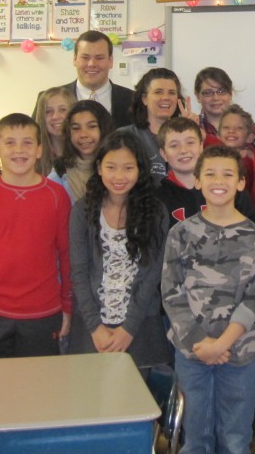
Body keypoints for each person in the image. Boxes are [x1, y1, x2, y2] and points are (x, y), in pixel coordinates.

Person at [162, 146, 255, 454]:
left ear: (241, 182)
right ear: (198, 180)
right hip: (191, 351)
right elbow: (171, 292)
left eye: (227, 174)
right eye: (210, 174)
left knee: (235, 440)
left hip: (238, 352)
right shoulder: (181, 233)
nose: (218, 181)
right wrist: (200, 342)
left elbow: (253, 298)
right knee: (195, 438)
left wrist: (221, 344)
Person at [0, 113, 72, 359]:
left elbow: (67, 256)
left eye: (27, 142)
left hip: (43, 313)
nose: (19, 150)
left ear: (39, 150)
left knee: (40, 382)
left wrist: (67, 307)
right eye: (10, 142)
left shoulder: (56, 196)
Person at [68, 131, 171, 368]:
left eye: (128, 168)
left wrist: (129, 328)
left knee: (138, 391)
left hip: (140, 327)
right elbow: (79, 273)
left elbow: (153, 274)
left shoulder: (156, 212)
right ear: (99, 168)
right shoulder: (82, 211)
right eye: (111, 167)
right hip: (92, 329)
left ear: (140, 170)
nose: (119, 176)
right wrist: (95, 326)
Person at [156, 117, 255, 226]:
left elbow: (253, 228)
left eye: (190, 142)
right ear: (163, 154)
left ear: (201, 146)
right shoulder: (157, 198)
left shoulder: (228, 187)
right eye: (174, 145)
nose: (183, 150)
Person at [37, 30, 134, 128]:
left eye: (99, 58)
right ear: (75, 59)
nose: (92, 64)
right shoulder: (47, 99)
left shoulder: (133, 100)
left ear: (110, 61)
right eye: (85, 57)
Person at [118, 67, 185, 184]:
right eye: (158, 92)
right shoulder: (124, 136)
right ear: (144, 99)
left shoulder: (187, 136)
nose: (166, 98)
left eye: (171, 93)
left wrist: (190, 132)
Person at [48, 99, 114, 204]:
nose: (83, 134)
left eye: (91, 126)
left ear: (104, 129)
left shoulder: (119, 169)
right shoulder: (58, 175)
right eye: (76, 128)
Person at [194, 67, 255, 147]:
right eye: (208, 93)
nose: (216, 98)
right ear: (197, 96)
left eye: (222, 91)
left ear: (230, 94)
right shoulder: (192, 128)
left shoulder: (251, 128)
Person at [33, 85, 73, 176]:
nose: (55, 116)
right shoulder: (33, 156)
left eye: (62, 110)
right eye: (48, 111)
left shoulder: (85, 155)